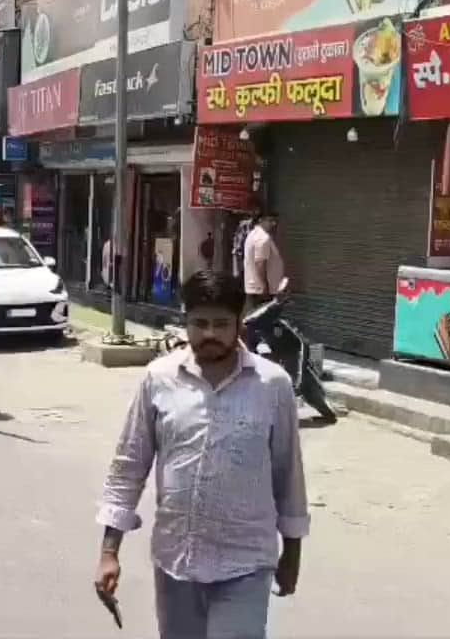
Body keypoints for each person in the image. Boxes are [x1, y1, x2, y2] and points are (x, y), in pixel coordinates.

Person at [93, 270, 308, 639]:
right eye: (200, 323)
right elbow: (129, 467)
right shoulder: (158, 379)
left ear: (239, 324)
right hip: (176, 560)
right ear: (185, 321)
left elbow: (288, 475)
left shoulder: (273, 385)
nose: (210, 334)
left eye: (221, 324)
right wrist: (109, 551)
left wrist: (292, 555)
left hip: (247, 563)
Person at [243, 210, 285, 313]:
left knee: (254, 321)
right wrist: (264, 287)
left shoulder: (252, 234)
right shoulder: (263, 238)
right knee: (264, 322)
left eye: (275, 221)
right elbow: (260, 264)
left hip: (255, 288)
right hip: (263, 291)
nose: (274, 224)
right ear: (261, 220)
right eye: (270, 221)